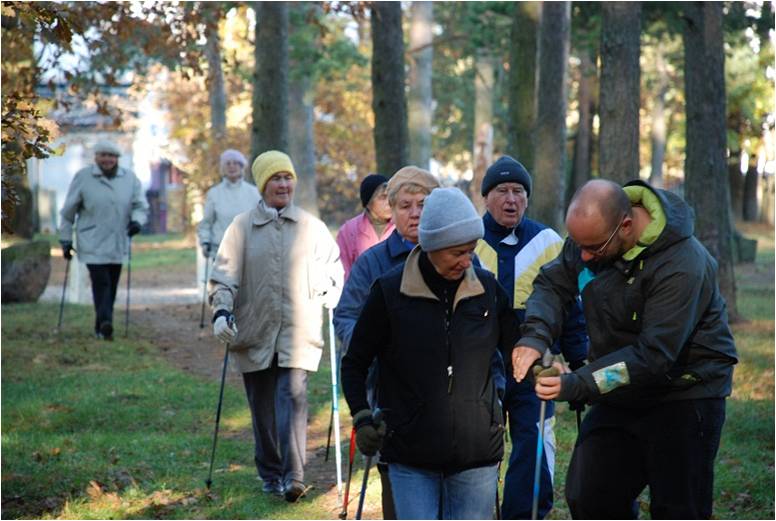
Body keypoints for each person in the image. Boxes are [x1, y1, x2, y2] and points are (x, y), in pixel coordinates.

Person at [512, 179, 738, 519]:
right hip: (617, 390)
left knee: (679, 508)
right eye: (579, 246)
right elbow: (552, 283)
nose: (584, 256)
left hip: (685, 394)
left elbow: (653, 357)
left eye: (594, 249)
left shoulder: (684, 264)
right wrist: (535, 336)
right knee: (589, 497)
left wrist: (576, 384)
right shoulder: (592, 236)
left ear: (627, 225)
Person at [341, 187, 519, 520]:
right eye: (457, 253)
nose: (467, 261)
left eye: (470, 251)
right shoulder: (389, 292)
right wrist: (363, 416)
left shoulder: (487, 289)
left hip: (477, 452)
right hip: (410, 453)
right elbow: (354, 363)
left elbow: (517, 349)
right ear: (432, 246)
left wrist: (534, 366)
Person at [209, 150, 343, 503]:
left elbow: (334, 267)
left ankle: (294, 476)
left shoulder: (312, 227)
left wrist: (332, 286)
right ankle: (270, 471)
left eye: (288, 178)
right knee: (263, 409)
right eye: (275, 179)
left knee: (293, 398)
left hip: (298, 332)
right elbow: (222, 279)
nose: (283, 184)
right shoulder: (240, 227)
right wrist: (221, 312)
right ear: (262, 184)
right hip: (253, 332)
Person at [474, 156, 588, 519]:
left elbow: (570, 305)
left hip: (539, 365)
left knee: (534, 445)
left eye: (519, 192)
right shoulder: (469, 240)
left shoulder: (549, 241)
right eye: (502, 191)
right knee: (481, 446)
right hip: (480, 365)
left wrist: (581, 357)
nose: (511, 199)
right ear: (487, 197)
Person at [333, 165, 439, 519]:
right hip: (389, 395)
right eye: (406, 205)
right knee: (398, 486)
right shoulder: (372, 263)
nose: (415, 213)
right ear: (391, 210)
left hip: (446, 399)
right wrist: (371, 346)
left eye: (423, 204)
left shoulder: (456, 257)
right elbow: (346, 316)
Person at [59, 140, 149, 341]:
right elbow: (67, 213)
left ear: (117, 158)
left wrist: (137, 222)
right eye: (103, 155)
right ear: (96, 157)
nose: (107, 159)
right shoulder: (83, 177)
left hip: (118, 240)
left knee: (112, 283)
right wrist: (65, 240)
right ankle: (106, 320)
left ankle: (100, 326)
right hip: (91, 240)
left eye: (111, 156)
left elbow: (140, 206)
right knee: (101, 282)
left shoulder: (130, 179)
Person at [197, 149, 260, 259]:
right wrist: (205, 242)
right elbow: (206, 223)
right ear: (223, 168)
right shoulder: (214, 193)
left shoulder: (254, 193)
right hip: (221, 252)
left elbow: (262, 221)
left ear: (242, 167)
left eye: (235, 163)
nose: (232, 166)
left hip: (249, 252)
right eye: (228, 163)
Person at [336, 174, 395, 281]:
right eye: (382, 197)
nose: (389, 202)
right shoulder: (349, 231)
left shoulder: (400, 226)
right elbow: (343, 272)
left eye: (390, 196)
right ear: (368, 203)